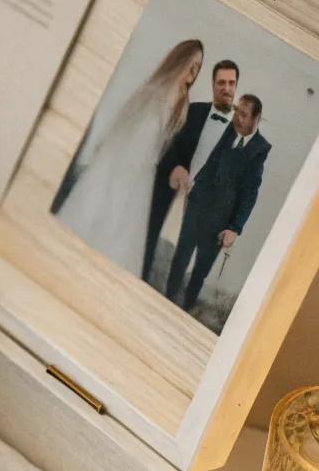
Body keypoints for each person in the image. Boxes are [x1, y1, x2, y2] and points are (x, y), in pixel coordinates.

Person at [57, 39, 204, 275]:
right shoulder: (153, 91)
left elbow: (164, 147)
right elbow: (124, 131)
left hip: (142, 177)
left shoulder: (181, 105)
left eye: (199, 67)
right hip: (120, 166)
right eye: (192, 63)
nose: (194, 70)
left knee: (122, 239)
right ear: (180, 59)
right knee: (98, 220)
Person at [165, 93, 270, 313]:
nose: (237, 118)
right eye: (236, 112)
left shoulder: (260, 149)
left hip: (220, 221)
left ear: (255, 118)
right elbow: (209, 159)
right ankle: (164, 302)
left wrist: (235, 228)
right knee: (180, 259)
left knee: (200, 272)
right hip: (197, 205)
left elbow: (250, 194)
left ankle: (183, 312)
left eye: (243, 114)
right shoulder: (226, 130)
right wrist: (193, 190)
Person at [143, 58, 240, 281]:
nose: (226, 88)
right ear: (213, 85)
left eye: (231, 83)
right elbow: (170, 144)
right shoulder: (193, 111)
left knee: (183, 267)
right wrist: (177, 166)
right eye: (221, 83)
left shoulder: (241, 131)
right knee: (151, 244)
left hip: (204, 208)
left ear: (236, 86)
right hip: (173, 192)